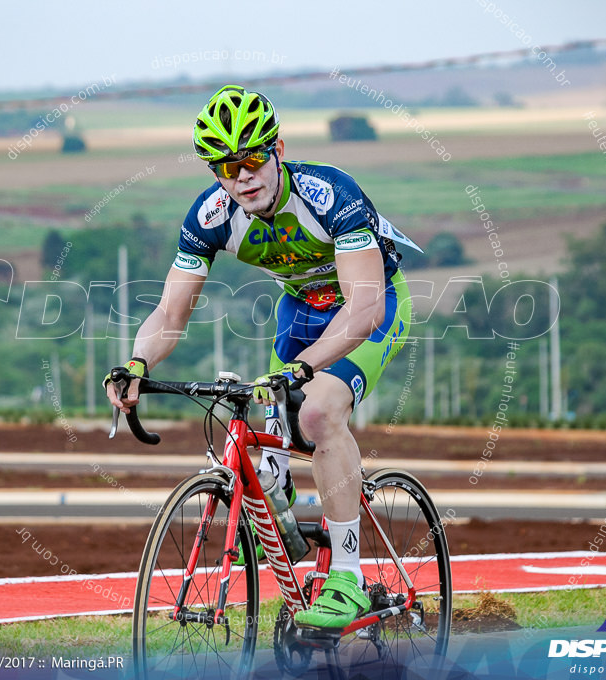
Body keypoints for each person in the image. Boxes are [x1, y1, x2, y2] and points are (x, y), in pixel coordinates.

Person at [105, 85, 412, 633]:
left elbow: (363, 308)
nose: (242, 176)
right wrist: (136, 364)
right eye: (226, 166)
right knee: (264, 454)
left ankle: (347, 578)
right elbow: (171, 313)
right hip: (301, 311)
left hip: (372, 305)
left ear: (278, 150)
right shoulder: (212, 214)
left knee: (317, 414)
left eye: (251, 160)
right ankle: (285, 531)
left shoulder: (328, 194)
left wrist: (306, 370)